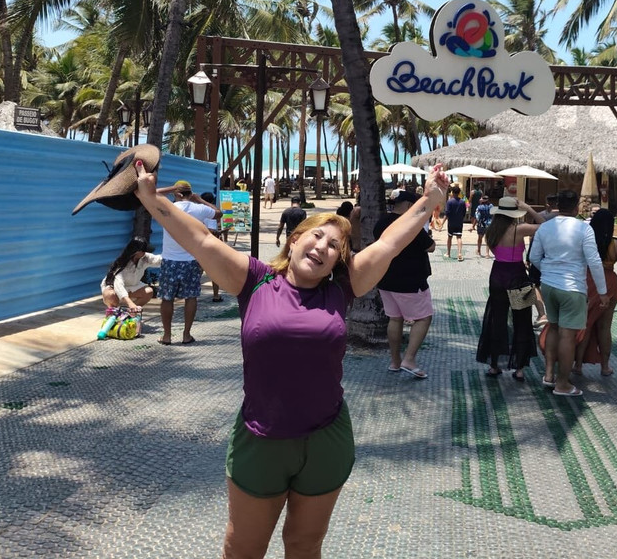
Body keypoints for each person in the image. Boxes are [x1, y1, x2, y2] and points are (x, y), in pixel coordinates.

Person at [133, 157, 450, 559]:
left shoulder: (343, 288)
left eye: (335, 246)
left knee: (304, 544)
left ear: (338, 259)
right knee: (243, 547)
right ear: (295, 239)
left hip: (326, 438)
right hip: (261, 437)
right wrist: (149, 198)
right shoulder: (254, 280)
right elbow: (200, 240)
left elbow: (389, 243)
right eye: (317, 237)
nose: (323, 247)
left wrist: (429, 200)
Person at [528, 189, 608, 397]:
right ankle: (562, 383)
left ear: (557, 205)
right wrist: (602, 291)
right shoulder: (584, 229)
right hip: (573, 287)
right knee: (568, 336)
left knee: (553, 328)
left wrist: (548, 271)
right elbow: (594, 260)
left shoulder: (545, 228)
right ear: (576, 208)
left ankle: (548, 375)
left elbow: (534, 256)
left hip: (548, 285)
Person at [476, 196, 545, 380]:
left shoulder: (491, 231)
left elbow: (496, 252)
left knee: (496, 319)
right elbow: (546, 226)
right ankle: (520, 368)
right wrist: (529, 209)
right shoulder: (519, 229)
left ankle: (494, 366)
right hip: (517, 275)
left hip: (497, 275)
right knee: (521, 320)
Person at [374, 191, 435, 379]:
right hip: (410, 280)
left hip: (386, 278)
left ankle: (395, 361)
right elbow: (430, 246)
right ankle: (409, 359)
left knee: (395, 318)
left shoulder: (381, 221)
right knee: (424, 318)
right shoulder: (411, 224)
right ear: (410, 205)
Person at [156, 180, 221, 345]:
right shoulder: (198, 209)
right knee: (190, 297)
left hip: (170, 260)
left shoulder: (168, 208)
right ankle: (186, 335)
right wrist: (199, 200)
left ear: (177, 193)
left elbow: (153, 194)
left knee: (167, 298)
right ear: (190, 193)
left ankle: (167, 336)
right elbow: (218, 213)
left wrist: (171, 189)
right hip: (191, 260)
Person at [573, 209, 617, 378]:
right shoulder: (615, 244)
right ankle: (605, 367)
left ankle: (578, 365)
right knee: (605, 327)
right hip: (610, 281)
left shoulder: (586, 240)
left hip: (589, 279)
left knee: (586, 323)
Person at [101, 238, 160, 314]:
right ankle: (113, 313)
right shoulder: (122, 264)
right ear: (137, 252)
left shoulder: (145, 258)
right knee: (111, 295)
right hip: (114, 288)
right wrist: (130, 303)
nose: (145, 253)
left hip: (132, 287)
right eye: (143, 251)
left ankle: (131, 313)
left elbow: (158, 260)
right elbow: (118, 285)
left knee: (149, 291)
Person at [202, 191, 226, 302]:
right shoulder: (211, 213)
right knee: (214, 272)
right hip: (210, 247)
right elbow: (212, 232)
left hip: (197, 245)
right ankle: (216, 295)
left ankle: (192, 295)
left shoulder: (197, 212)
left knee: (197, 272)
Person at [445, 185, 467, 261]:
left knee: (449, 237)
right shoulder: (462, 202)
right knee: (459, 237)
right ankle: (459, 253)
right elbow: (464, 212)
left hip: (451, 222)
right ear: (459, 193)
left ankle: (448, 253)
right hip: (459, 222)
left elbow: (447, 213)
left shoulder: (449, 201)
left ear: (452, 192)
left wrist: (442, 222)